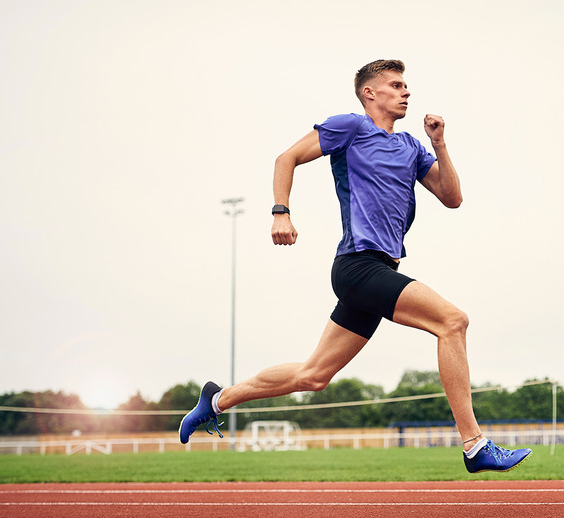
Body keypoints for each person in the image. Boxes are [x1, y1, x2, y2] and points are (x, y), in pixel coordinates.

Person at [179, 59, 532, 473]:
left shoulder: (411, 147)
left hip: (381, 269)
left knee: (313, 376)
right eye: (396, 85)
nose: (406, 92)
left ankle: (216, 399)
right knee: (452, 321)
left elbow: (452, 198)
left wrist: (439, 144)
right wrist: (281, 212)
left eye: (406, 86)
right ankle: (475, 445)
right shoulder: (350, 127)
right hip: (358, 266)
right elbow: (286, 157)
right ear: (370, 92)